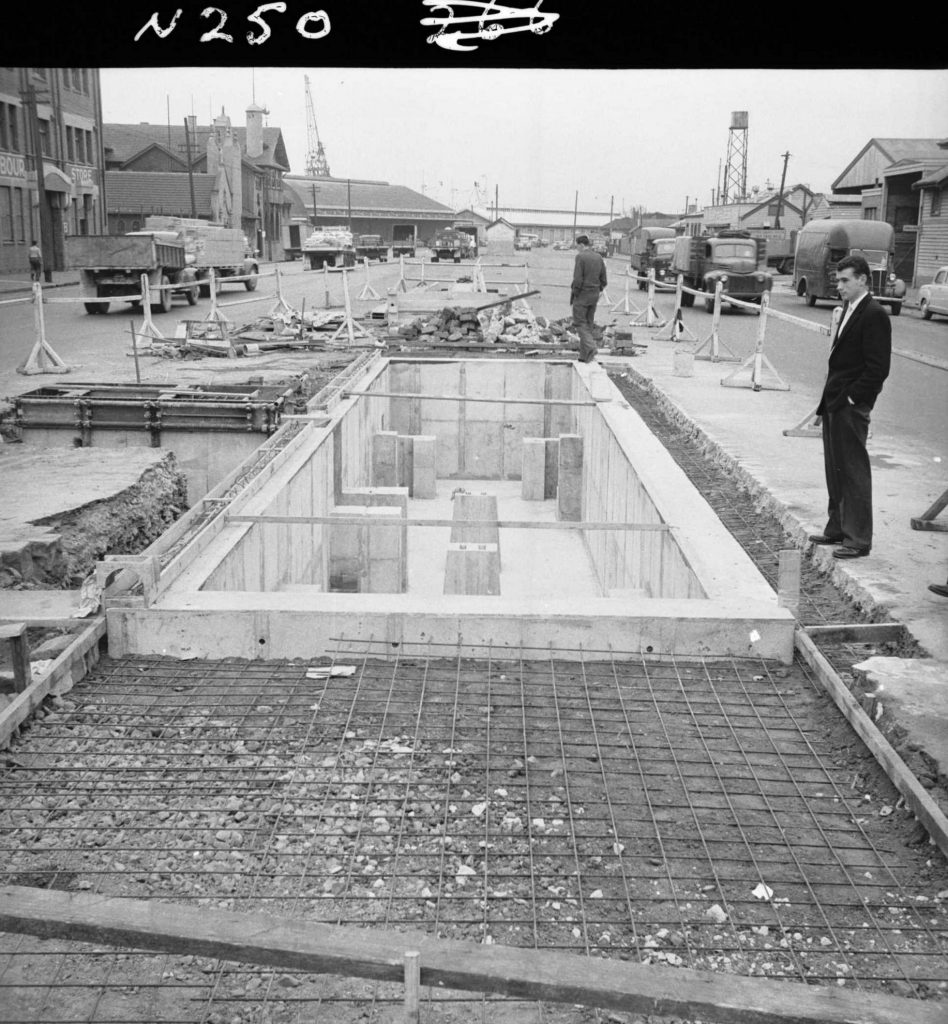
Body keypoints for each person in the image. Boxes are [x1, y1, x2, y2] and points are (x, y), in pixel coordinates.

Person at [808, 254, 891, 559]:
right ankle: (838, 528)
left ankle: (858, 539)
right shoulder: (849, 308)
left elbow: (878, 368)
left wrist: (854, 399)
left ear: (863, 280)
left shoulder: (873, 314)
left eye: (845, 280)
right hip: (834, 402)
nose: (839, 286)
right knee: (835, 468)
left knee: (854, 469)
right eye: (838, 280)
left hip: (850, 406)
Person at [570, 234, 607, 363]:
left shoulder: (580, 257)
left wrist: (575, 292)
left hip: (582, 295)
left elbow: (578, 279)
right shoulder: (598, 257)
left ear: (581, 245)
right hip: (594, 295)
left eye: (577, 246)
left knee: (579, 323)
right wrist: (597, 289)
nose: (577, 249)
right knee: (588, 324)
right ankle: (584, 356)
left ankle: (591, 348)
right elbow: (604, 279)